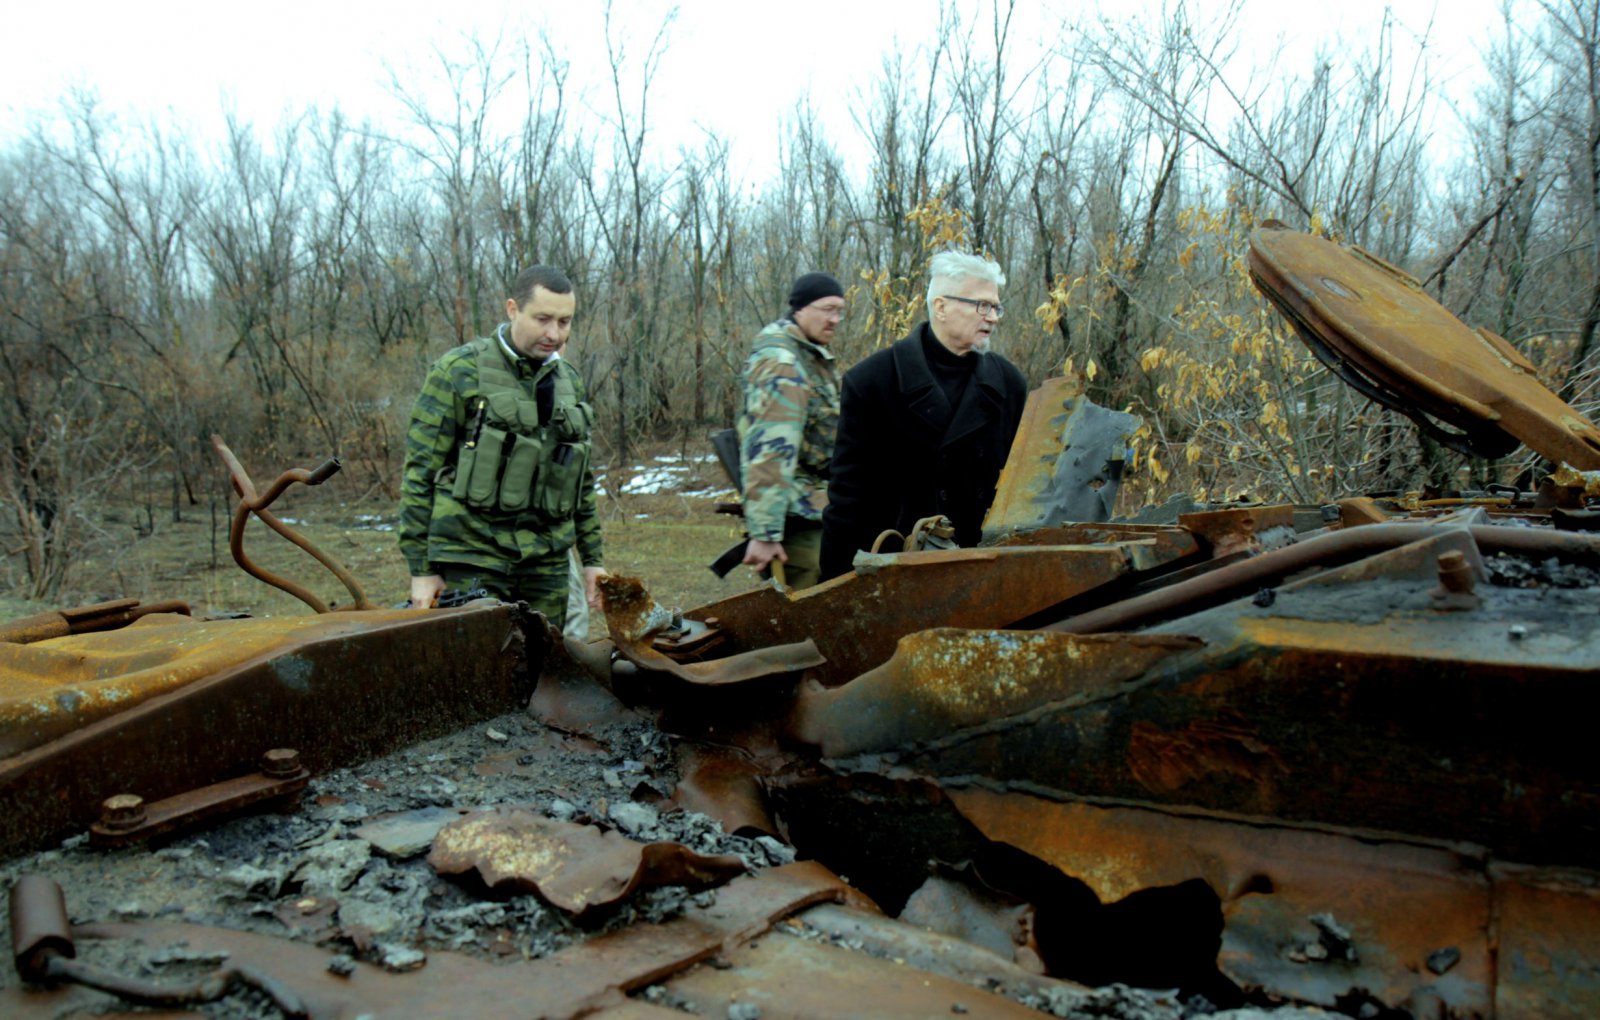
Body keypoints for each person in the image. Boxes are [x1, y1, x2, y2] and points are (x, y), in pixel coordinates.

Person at [399, 265, 605, 629]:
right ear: (513, 309)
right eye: (542, 319)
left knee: (547, 659)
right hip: (473, 556)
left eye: (564, 322)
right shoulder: (458, 371)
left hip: (546, 563)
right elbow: (419, 476)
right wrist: (422, 570)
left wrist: (592, 561)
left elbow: (580, 480)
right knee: (478, 660)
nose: (554, 334)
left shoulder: (569, 382)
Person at [819, 251, 1027, 580]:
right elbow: (848, 498)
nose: (993, 317)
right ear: (941, 307)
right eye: (982, 306)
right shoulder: (872, 381)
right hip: (895, 573)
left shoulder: (1009, 384)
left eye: (996, 307)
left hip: (982, 570)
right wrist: (835, 584)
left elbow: (1022, 491)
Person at [737, 272, 845, 590]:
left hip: (812, 510)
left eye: (840, 311)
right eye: (827, 309)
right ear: (800, 309)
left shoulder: (806, 356)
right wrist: (765, 533)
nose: (835, 319)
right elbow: (771, 448)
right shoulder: (783, 363)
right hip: (795, 522)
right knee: (806, 611)